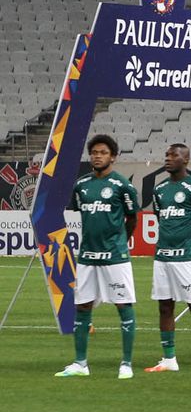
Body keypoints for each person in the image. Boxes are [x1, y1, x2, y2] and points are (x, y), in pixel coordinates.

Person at [56, 135, 140, 379]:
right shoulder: (81, 186)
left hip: (115, 257)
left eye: (103, 152)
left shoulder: (123, 185)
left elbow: (131, 218)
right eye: (94, 152)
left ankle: (126, 363)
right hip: (87, 257)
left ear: (112, 156)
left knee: (123, 305)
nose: (97, 156)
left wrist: (121, 242)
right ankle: (80, 363)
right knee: (82, 307)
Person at [145, 143, 191, 373]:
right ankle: (168, 359)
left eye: (173, 155)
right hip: (162, 257)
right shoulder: (160, 189)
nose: (168, 158)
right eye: (166, 155)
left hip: (187, 258)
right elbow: (160, 217)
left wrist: (186, 239)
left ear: (186, 159)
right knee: (165, 307)